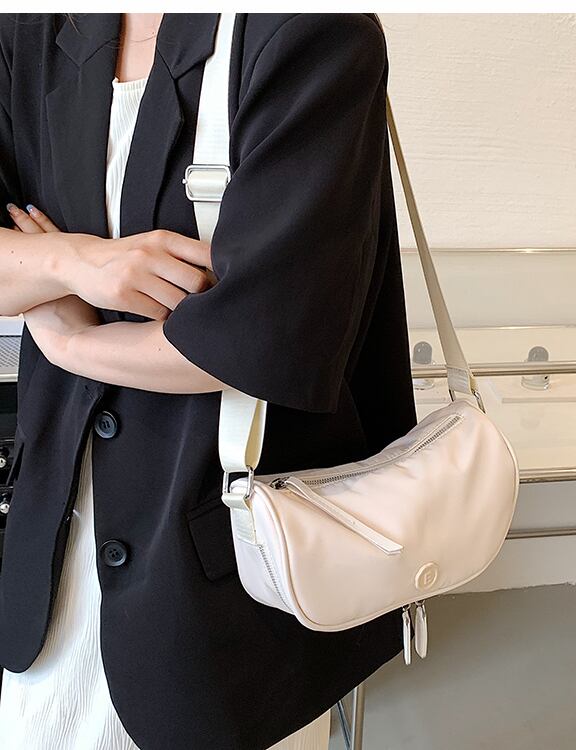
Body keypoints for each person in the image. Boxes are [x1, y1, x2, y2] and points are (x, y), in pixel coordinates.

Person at [0, 12, 417, 749]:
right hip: (53, 573)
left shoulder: (312, 32)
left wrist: (70, 340)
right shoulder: (32, 30)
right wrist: (75, 262)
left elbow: (268, 342)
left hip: (223, 601)